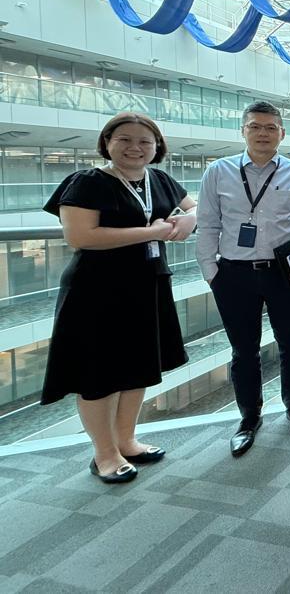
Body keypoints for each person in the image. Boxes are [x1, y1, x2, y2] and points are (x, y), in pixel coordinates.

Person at [42, 113, 196, 483]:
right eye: (124, 139)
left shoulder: (158, 179)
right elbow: (81, 236)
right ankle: (104, 454)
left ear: (157, 147)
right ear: (107, 142)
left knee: (138, 366)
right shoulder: (87, 181)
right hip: (96, 290)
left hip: (147, 284)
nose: (135, 148)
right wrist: (150, 232)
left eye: (145, 141)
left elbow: (195, 205)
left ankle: (126, 440)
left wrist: (191, 219)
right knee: (99, 374)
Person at [197, 100, 290, 457]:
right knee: (244, 351)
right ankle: (249, 417)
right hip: (233, 274)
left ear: (281, 133)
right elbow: (206, 224)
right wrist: (211, 273)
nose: (263, 133)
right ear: (243, 131)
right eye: (255, 126)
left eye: (271, 128)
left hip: (283, 273)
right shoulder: (218, 172)